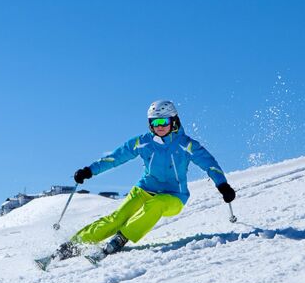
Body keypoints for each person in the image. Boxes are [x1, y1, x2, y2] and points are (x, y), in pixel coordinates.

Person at [54, 100, 236, 261]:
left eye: (164, 121)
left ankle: (122, 238)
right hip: (144, 189)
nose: (159, 126)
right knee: (116, 218)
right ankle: (72, 245)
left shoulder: (186, 144)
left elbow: (209, 164)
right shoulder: (143, 142)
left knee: (155, 204)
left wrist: (222, 185)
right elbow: (116, 158)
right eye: (155, 122)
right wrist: (89, 171)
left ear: (174, 121)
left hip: (174, 196)